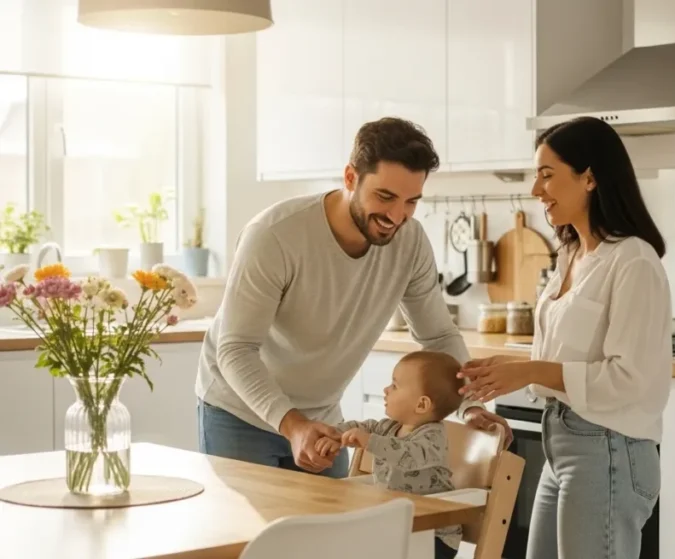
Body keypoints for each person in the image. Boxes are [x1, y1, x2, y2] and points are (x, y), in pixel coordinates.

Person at [195, 116, 510, 478]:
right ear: (350, 178)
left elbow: (438, 337)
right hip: (239, 414)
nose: (397, 216)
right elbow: (235, 348)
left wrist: (468, 404)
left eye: (411, 201)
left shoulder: (410, 242)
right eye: (385, 196)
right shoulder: (275, 236)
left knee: (330, 534)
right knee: (249, 534)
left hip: (323, 420)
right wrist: (293, 425)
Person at [456, 116, 672, 559]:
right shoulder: (571, 254)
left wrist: (528, 371)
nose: (536, 190)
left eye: (547, 175)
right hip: (563, 440)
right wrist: (504, 383)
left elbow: (630, 379)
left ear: (590, 177)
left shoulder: (633, 261)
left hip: (608, 450)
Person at [315, 351, 464, 559]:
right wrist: (336, 435)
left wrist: (368, 441)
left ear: (421, 404)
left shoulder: (432, 437)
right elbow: (363, 427)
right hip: (397, 526)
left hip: (432, 533)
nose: (386, 390)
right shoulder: (389, 427)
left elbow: (409, 455)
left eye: (395, 385)